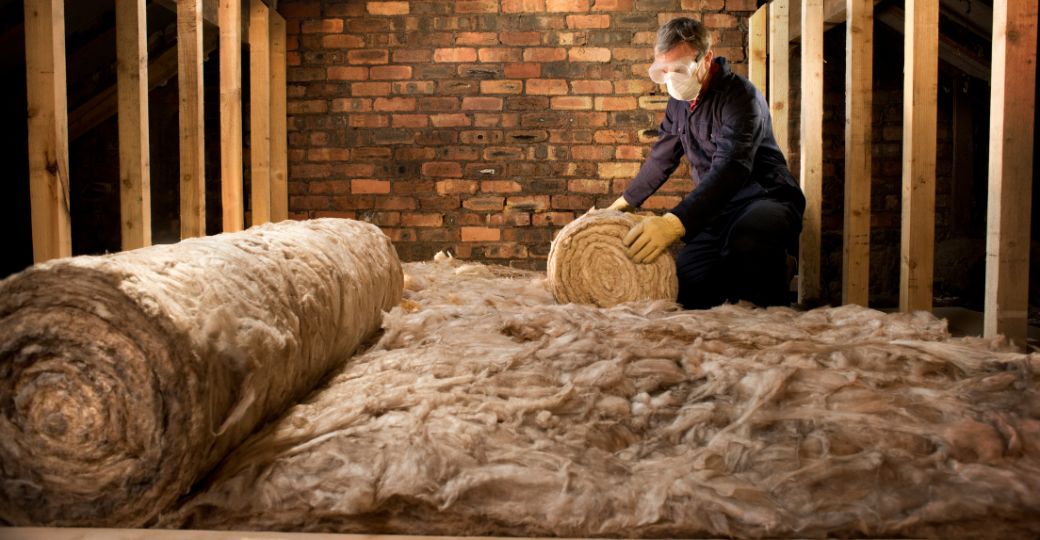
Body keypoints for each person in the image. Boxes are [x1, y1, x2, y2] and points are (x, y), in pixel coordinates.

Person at [606, 16, 806, 310]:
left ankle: (776, 266)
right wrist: (622, 204)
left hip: (764, 199)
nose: (671, 79)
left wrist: (673, 223)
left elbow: (731, 169)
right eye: (663, 71)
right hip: (716, 212)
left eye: (680, 69)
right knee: (688, 287)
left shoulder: (741, 98)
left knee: (749, 243)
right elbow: (663, 156)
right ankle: (754, 271)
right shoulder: (678, 101)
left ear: (706, 58)